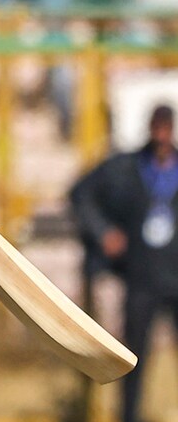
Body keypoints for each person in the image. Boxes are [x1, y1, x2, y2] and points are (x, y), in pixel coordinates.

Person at [70, 105, 178, 422]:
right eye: (156, 128)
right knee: (133, 360)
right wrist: (104, 232)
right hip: (141, 280)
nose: (161, 135)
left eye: (166, 128)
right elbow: (81, 193)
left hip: (176, 278)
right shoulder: (126, 167)